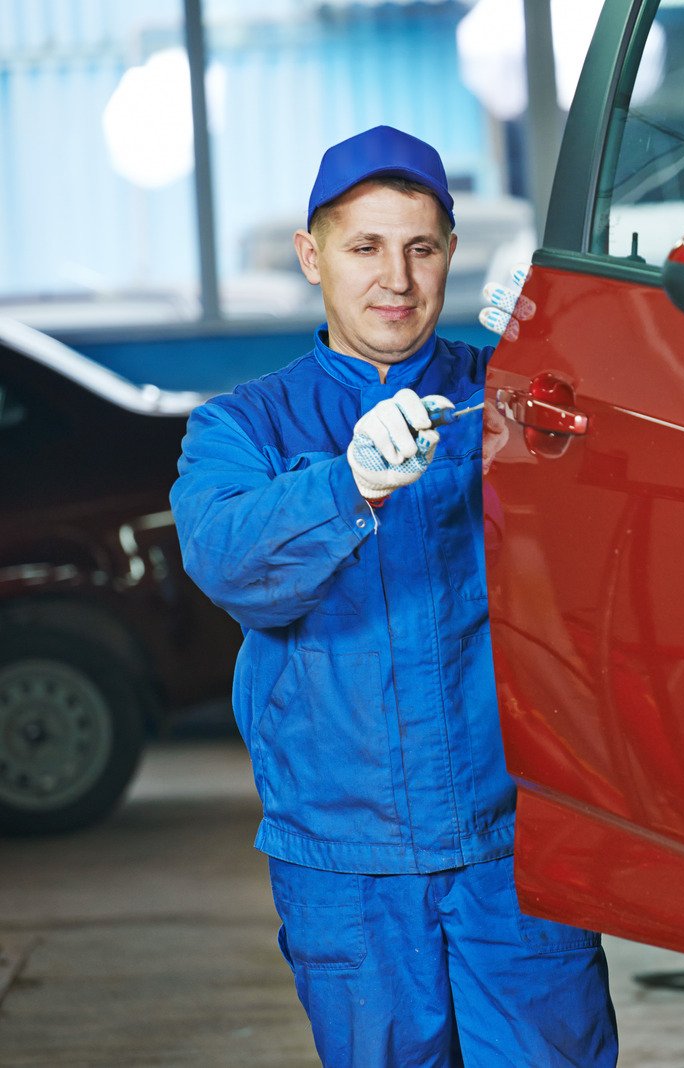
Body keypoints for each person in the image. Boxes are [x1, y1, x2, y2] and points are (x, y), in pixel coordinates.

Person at [170, 125, 618, 1067]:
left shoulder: (517, 394)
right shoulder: (242, 425)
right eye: (365, 247)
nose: (397, 279)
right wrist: (349, 484)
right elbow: (225, 558)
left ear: (452, 253)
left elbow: (642, 519)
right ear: (312, 256)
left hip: (514, 843)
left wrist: (585, 356)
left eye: (421, 248)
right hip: (346, 860)